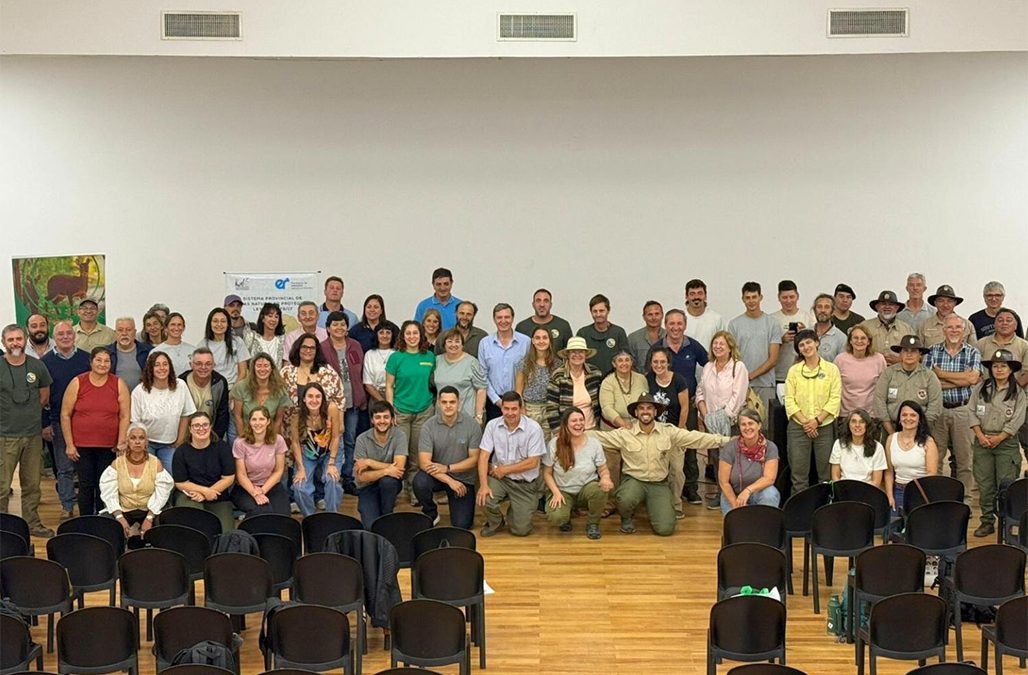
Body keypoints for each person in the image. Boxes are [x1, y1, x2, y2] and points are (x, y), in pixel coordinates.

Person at [591, 393, 730, 536]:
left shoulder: (668, 431)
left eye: (649, 408)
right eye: (641, 408)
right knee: (625, 498)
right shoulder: (625, 433)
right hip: (634, 481)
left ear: (655, 412)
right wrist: (577, 433)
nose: (645, 411)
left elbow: (696, 438)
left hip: (658, 484)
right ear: (636, 413)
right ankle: (626, 517)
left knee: (665, 529)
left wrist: (726, 441)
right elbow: (599, 437)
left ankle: (656, 508)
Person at [647, 309, 708, 506]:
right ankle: (663, 490)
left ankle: (690, 489)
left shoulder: (693, 346)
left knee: (689, 448)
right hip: (661, 407)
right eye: (671, 324)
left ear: (685, 325)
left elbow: (709, 365)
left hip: (686, 406)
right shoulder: (657, 348)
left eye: (679, 323)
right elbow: (648, 376)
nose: (675, 327)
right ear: (666, 325)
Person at [61, 346, 130, 516]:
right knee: (85, 485)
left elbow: (125, 415)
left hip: (109, 446)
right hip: (82, 446)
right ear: (91, 362)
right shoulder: (78, 382)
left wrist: (121, 442)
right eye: (98, 360)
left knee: (104, 485)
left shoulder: (118, 383)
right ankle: (85, 520)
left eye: (107, 361)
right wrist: (69, 444)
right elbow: (65, 414)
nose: (102, 364)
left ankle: (101, 520)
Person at [0, 325, 55, 537]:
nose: (15, 343)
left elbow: (44, 395)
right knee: (2, 486)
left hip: (33, 435)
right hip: (5, 436)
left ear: (25, 340)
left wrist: (29, 415)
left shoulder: (37, 365)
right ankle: (3, 527)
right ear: (4, 342)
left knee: (32, 484)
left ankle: (32, 523)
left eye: (19, 338)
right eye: (11, 339)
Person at [968, 349, 1026, 537]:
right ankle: (987, 521)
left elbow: (1017, 419)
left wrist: (1000, 437)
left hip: (1006, 444)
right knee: (985, 485)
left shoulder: (1017, 392)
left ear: (1011, 369)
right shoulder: (981, 388)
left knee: (1005, 485)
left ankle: (1006, 523)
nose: (999, 369)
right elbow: (971, 411)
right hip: (982, 441)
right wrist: (980, 435)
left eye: (1003, 366)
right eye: (995, 366)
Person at [924, 315, 981, 496]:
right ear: (943, 330)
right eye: (950, 327)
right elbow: (929, 382)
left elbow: (973, 379)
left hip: (963, 410)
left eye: (958, 327)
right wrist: (962, 380)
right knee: (935, 457)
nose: (954, 330)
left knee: (965, 459)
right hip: (938, 410)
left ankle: (965, 498)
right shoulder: (932, 351)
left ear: (964, 331)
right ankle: (937, 498)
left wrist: (941, 374)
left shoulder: (973, 352)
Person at [476, 391, 546, 537]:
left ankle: (515, 513)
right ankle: (496, 522)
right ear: (501, 408)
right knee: (483, 497)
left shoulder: (534, 428)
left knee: (520, 530)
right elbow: (483, 456)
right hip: (500, 480)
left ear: (521, 409)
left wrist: (504, 470)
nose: (510, 413)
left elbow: (533, 462)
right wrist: (483, 485)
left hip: (525, 484)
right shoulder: (492, 425)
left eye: (514, 409)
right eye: (506, 408)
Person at [42, 320, 91, 520]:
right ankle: (67, 505)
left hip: (86, 422)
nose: (65, 337)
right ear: (54, 337)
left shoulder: (86, 359)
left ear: (74, 335)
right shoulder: (45, 362)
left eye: (68, 333)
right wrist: (45, 423)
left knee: (86, 467)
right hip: (58, 421)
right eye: (60, 334)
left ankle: (90, 506)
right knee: (64, 468)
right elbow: (41, 396)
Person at [415, 386, 483, 529]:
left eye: (452, 402)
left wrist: (448, 468)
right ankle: (431, 512)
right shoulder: (428, 426)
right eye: (444, 402)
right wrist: (449, 480)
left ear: (459, 403)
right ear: (438, 403)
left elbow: (474, 459)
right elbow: (424, 462)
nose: (448, 406)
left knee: (462, 525)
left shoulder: (472, 425)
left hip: (462, 479)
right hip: (437, 476)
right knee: (420, 482)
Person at [783, 329, 842, 495]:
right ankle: (799, 507)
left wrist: (816, 421)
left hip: (824, 426)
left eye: (809, 342)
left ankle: (826, 506)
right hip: (798, 427)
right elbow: (789, 400)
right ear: (798, 350)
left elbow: (835, 398)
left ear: (817, 343)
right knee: (798, 475)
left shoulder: (831, 369)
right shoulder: (794, 371)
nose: (806, 347)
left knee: (826, 474)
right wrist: (806, 423)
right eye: (801, 345)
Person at [696, 330, 750, 509]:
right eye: (715, 343)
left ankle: (736, 496)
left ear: (730, 347)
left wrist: (722, 417)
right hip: (711, 424)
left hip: (731, 423)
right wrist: (706, 415)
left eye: (722, 344)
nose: (718, 347)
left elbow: (738, 396)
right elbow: (700, 392)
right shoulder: (708, 367)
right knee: (717, 461)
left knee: (732, 461)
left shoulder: (738, 367)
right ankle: (722, 495)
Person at [543, 407, 613, 540]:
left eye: (581, 420)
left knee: (600, 490)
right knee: (557, 517)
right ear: (565, 424)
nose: (579, 423)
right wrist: (556, 493)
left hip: (586, 488)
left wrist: (606, 478)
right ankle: (566, 517)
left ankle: (593, 524)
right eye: (574, 421)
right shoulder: (554, 444)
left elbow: (603, 469)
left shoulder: (594, 444)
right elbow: (547, 473)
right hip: (563, 490)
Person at [386, 320, 435, 501]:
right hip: (401, 411)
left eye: (415, 333)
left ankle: (414, 489)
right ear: (403, 336)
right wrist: (390, 410)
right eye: (408, 333)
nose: (412, 337)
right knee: (400, 452)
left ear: (421, 336)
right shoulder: (395, 357)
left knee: (417, 453)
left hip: (424, 411)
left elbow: (434, 383)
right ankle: (395, 489)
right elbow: (389, 386)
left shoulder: (430, 357)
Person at [99, 424, 174, 536]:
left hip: (149, 509)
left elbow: (162, 493)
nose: (137, 442)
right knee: (107, 524)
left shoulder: (156, 463)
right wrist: (119, 517)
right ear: (127, 441)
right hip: (124, 509)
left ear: (146, 442)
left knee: (165, 522)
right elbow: (109, 494)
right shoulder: (117, 464)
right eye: (133, 438)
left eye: (141, 438)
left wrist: (149, 518)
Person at [321, 311, 366, 493]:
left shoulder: (355, 345)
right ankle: (331, 477)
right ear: (328, 328)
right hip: (331, 405)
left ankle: (348, 478)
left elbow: (361, 371)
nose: (339, 328)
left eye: (342, 324)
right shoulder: (322, 348)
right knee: (333, 440)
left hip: (352, 401)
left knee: (350, 440)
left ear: (347, 328)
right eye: (335, 324)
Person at [130, 351, 196, 473]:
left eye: (165, 364)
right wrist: (141, 444)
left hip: (170, 444)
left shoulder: (180, 386)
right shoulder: (139, 391)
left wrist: (180, 440)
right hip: (147, 444)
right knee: (148, 475)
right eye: (157, 365)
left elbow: (186, 414)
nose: (162, 368)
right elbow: (135, 423)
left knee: (171, 476)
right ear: (150, 368)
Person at [172, 411, 236, 533]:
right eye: (196, 425)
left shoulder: (222, 448)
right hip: (190, 495)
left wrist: (208, 493)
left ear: (210, 427)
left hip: (218, 495)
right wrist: (205, 491)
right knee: (195, 526)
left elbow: (228, 478)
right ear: (190, 429)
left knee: (226, 532)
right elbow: (181, 483)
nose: (201, 428)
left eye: (205, 425)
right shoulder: (181, 451)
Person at [646, 346, 692, 514]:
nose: (659, 365)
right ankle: (656, 504)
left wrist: (679, 432)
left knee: (676, 470)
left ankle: (676, 505)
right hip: (654, 432)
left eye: (662, 362)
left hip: (675, 430)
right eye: (655, 362)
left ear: (668, 363)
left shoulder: (679, 380)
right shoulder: (647, 380)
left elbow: (685, 408)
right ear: (651, 363)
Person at [727, 282, 781, 417]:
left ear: (760, 297)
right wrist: (742, 378)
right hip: (740, 385)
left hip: (766, 384)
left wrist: (751, 375)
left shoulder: (772, 323)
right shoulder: (734, 324)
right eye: (747, 298)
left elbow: (773, 359)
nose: (751, 301)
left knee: (765, 423)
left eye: (754, 297)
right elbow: (731, 356)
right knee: (742, 423)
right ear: (743, 299)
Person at [873, 335, 942, 435]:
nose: (909, 354)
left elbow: (935, 405)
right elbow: (879, 401)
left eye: (913, 351)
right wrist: (891, 432)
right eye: (905, 350)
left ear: (920, 354)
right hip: (891, 427)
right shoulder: (888, 373)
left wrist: (920, 431)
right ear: (900, 354)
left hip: (921, 430)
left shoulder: (929, 376)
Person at [290, 383, 342, 516]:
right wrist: (300, 468)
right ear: (304, 399)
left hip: (330, 450)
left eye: (318, 396)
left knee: (332, 479)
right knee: (299, 486)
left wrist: (331, 463)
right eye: (310, 396)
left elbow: (336, 437)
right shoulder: (297, 415)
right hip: (307, 452)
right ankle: (310, 518)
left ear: (323, 398)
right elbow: (295, 442)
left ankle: (332, 516)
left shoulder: (331, 408)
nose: (314, 400)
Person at [281, 333, 345, 440]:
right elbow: (278, 399)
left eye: (312, 348)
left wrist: (341, 423)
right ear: (298, 349)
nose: (308, 350)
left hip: (323, 433)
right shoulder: (286, 373)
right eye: (304, 347)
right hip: (292, 433)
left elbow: (339, 399)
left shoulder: (328, 373)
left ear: (317, 351)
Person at [353, 400, 407, 525]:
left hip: (390, 484)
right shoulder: (362, 439)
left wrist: (369, 462)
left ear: (392, 419)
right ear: (372, 420)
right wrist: (387, 471)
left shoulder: (400, 436)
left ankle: (387, 514)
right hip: (367, 486)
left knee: (388, 482)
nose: (382, 421)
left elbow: (399, 469)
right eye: (378, 417)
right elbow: (361, 477)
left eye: (386, 417)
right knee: (370, 525)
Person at [717, 407, 781, 513]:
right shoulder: (729, 448)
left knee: (770, 494)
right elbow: (724, 482)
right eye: (743, 424)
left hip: (758, 493)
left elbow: (769, 478)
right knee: (738, 522)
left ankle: (765, 522)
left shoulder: (770, 447)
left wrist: (748, 491)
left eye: (751, 423)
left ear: (759, 425)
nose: (747, 428)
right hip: (734, 494)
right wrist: (736, 505)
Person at [231, 406, 289, 516]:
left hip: (270, 485)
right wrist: (255, 493)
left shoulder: (278, 440)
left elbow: (278, 470)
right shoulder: (240, 443)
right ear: (249, 422)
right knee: (262, 510)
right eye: (254, 419)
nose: (258, 423)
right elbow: (241, 475)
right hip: (246, 488)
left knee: (283, 516)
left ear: (268, 421)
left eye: (262, 419)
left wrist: (262, 491)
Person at [883, 401, 939, 512]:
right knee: (894, 521)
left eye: (913, 415)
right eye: (904, 415)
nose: (908, 418)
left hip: (920, 490)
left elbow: (931, 473)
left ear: (919, 419)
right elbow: (889, 472)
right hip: (898, 490)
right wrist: (889, 495)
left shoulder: (928, 442)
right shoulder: (891, 439)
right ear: (899, 419)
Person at [229, 352, 291, 452]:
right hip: (246, 435)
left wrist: (271, 442)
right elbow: (238, 416)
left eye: (266, 365)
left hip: (268, 437)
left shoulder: (280, 390)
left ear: (272, 369)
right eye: (259, 366)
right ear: (253, 368)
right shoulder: (241, 387)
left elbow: (278, 420)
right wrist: (244, 441)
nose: (262, 369)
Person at [478, 303, 530, 421]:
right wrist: (497, 400)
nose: (503, 321)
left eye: (507, 317)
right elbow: (483, 375)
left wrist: (520, 400)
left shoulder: (526, 342)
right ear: (494, 319)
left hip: (519, 402)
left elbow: (529, 371)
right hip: (494, 403)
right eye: (499, 317)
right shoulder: (485, 343)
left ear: (512, 318)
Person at [546, 336, 603, 433]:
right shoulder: (558, 376)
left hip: (592, 428)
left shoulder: (595, 373)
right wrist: (558, 432)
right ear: (567, 354)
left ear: (586, 354)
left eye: (581, 352)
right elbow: (551, 407)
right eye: (573, 352)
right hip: (567, 430)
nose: (577, 355)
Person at [835, 324, 887, 421]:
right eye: (855, 338)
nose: (859, 341)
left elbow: (883, 388)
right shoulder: (840, 359)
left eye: (863, 338)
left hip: (871, 416)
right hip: (845, 416)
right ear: (850, 341)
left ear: (868, 342)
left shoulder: (879, 359)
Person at [436, 328, 487, 423]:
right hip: (442, 417)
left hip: (466, 418)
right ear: (444, 344)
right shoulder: (437, 361)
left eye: (457, 341)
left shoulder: (472, 362)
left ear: (462, 344)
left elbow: (481, 389)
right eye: (450, 341)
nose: (453, 344)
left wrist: (479, 416)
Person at [515, 326, 559, 437]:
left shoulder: (557, 364)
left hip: (550, 410)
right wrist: (522, 409)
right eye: (538, 338)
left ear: (550, 341)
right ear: (533, 341)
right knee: (530, 441)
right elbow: (518, 391)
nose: (541, 341)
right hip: (531, 410)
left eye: (545, 338)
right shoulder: (525, 363)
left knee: (548, 443)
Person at [179, 347, 231, 441]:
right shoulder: (182, 381)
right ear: (191, 365)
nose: (203, 367)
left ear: (213, 365)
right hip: (185, 436)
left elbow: (222, 415)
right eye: (198, 363)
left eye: (208, 364)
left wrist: (214, 439)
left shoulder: (220, 382)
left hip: (210, 435)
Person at [771, 280, 815, 387]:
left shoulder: (807, 317)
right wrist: (781, 340)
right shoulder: (772, 319)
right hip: (779, 375)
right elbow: (766, 348)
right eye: (784, 297)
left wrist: (805, 334)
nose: (788, 301)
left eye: (792, 297)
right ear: (778, 298)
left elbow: (816, 344)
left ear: (797, 296)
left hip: (804, 373)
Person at [829, 409, 888, 486]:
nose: (857, 425)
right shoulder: (839, 444)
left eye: (862, 422)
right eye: (853, 421)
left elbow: (876, 482)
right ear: (848, 425)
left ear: (867, 425)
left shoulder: (878, 447)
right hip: (843, 489)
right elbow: (835, 477)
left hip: (867, 490)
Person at [576, 294, 628, 375]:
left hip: (614, 378)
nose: (598, 314)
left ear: (608, 311)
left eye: (601, 311)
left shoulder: (618, 332)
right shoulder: (583, 333)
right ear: (591, 312)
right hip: (589, 377)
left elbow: (625, 359)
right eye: (595, 311)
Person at [198, 307, 250, 389]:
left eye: (223, 321)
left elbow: (243, 372)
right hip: (210, 389)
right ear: (210, 324)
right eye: (215, 321)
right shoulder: (202, 345)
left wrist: (233, 392)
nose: (219, 324)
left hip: (233, 388)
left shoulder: (237, 342)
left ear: (228, 324)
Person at [859, 290, 913, 365]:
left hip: (899, 370)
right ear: (877, 307)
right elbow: (854, 350)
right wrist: (874, 359)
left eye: (891, 304)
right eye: (883, 304)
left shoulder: (907, 329)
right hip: (870, 370)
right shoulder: (864, 327)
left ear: (897, 308)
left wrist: (901, 360)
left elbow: (916, 354)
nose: (887, 307)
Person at [684, 279, 726, 362]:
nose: (696, 297)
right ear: (686, 296)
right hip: (685, 367)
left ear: (705, 296)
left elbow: (723, 345)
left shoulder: (716, 319)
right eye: (692, 294)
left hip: (711, 366)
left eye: (700, 293)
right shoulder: (679, 320)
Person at [107, 317, 153, 392]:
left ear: (134, 332)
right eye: (120, 330)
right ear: (115, 333)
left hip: (142, 396)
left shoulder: (148, 351)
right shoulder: (106, 353)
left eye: (128, 330)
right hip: (115, 396)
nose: (124, 333)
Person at [362, 322, 398, 403]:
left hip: (397, 396)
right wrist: (383, 402)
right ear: (376, 335)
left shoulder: (397, 354)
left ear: (392, 335)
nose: (385, 336)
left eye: (388, 333)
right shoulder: (369, 354)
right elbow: (367, 383)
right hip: (376, 397)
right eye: (381, 332)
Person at [244, 302, 286, 367]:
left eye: (276, 317)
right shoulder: (252, 337)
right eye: (270, 316)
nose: (273, 319)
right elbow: (244, 362)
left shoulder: (283, 340)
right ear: (262, 318)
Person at [627, 301, 665, 369]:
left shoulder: (669, 336)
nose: (654, 318)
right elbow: (629, 364)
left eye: (657, 314)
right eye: (650, 314)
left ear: (662, 315)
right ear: (644, 317)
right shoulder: (633, 338)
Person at [811, 294, 846, 362]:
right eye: (819, 307)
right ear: (814, 310)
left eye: (827, 307)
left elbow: (843, 364)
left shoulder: (841, 338)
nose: (822, 310)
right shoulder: (805, 334)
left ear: (833, 311)